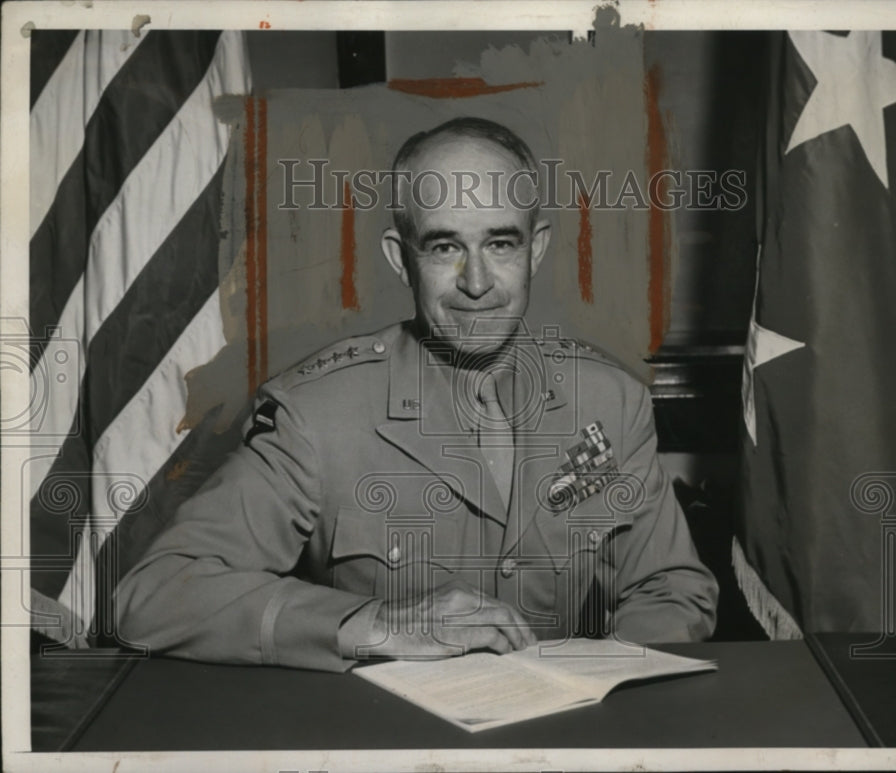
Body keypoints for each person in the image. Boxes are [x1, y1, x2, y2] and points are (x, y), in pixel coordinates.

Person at [115, 117, 718, 672]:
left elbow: (671, 589)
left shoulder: (609, 403)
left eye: (500, 244)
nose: (476, 283)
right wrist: (372, 624)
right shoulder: (318, 416)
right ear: (401, 261)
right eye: (445, 246)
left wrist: (601, 685)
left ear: (535, 249)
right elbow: (154, 595)